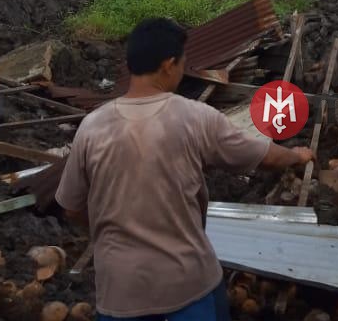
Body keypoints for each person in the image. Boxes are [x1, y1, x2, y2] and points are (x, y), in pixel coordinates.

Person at [56, 18, 313, 321]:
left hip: (120, 291)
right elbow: (263, 156)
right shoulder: (194, 117)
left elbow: (71, 208)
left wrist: (109, 234)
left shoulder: (92, 127)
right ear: (168, 65)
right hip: (188, 284)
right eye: (182, 63)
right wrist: (296, 155)